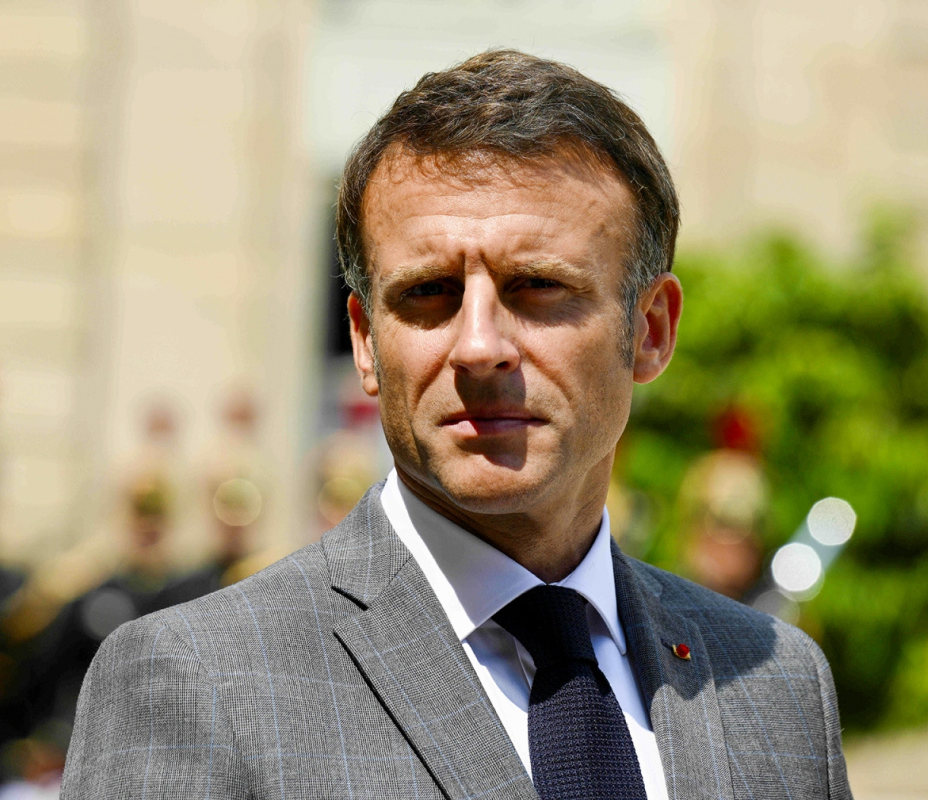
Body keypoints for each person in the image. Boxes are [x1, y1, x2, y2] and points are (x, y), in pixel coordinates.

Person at [61, 50, 851, 799]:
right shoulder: (195, 680)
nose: (478, 346)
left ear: (650, 329)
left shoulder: (773, 683)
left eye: (536, 285)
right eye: (429, 293)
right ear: (365, 343)